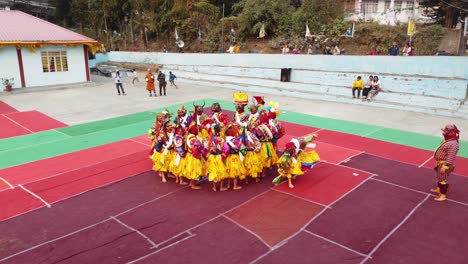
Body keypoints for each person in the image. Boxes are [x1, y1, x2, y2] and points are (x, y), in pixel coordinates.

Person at [431, 125, 460, 201]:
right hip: (440, 163)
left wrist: (445, 167)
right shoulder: (448, 140)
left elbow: (451, 157)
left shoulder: (453, 144)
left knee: (442, 179)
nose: (444, 132)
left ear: (452, 132)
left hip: (444, 164)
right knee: (439, 177)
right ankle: (439, 189)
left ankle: (443, 195)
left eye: (446, 130)